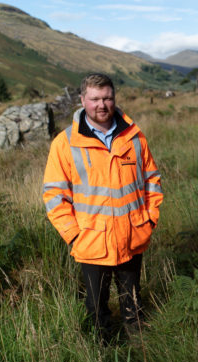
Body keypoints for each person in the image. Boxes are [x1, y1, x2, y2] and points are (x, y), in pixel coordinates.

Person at [42, 73, 163, 338]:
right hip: (91, 241)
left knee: (133, 304)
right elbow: (53, 195)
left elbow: (152, 179)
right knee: (96, 309)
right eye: (95, 98)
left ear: (114, 98)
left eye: (107, 98)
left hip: (132, 235)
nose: (102, 104)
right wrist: (73, 235)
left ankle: (141, 350)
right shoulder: (65, 143)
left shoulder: (134, 136)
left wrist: (150, 219)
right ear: (82, 100)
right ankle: (102, 354)